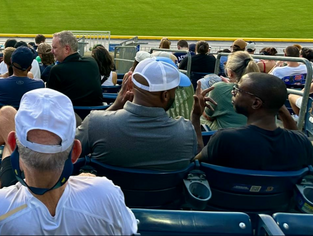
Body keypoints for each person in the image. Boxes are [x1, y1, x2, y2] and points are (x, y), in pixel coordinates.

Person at [0, 89, 137, 235]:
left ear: (13, 142)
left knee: (5, 120)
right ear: (75, 152)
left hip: (10, 192)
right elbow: (129, 228)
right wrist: (90, 184)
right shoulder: (105, 194)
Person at [76, 57, 211, 171]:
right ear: (165, 95)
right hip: (162, 202)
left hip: (106, 202)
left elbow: (68, 152)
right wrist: (195, 116)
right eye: (174, 90)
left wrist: (115, 106)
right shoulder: (186, 132)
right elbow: (197, 155)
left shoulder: (95, 123)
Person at [197, 73, 313, 170]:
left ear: (256, 103)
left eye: (237, 90)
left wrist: (195, 116)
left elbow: (194, 163)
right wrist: (280, 110)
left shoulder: (225, 138)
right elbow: (296, 137)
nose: (233, 93)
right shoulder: (302, 143)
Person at [205, 51, 260, 130]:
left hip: (228, 137)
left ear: (230, 73)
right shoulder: (264, 88)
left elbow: (208, 116)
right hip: (260, 137)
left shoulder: (219, 88)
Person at [47, 31, 103, 106]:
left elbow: (50, 101)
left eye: (54, 47)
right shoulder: (92, 62)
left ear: (67, 49)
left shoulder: (57, 70)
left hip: (70, 115)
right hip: (96, 113)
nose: (52, 51)